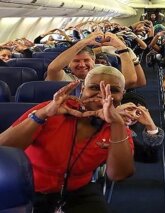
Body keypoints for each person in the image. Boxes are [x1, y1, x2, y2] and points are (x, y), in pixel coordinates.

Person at [0, 65, 134, 213]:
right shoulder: (50, 109)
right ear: (82, 89)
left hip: (78, 192)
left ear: (123, 94)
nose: (103, 95)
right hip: (27, 188)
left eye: (113, 90)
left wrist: (117, 124)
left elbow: (118, 174)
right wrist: (43, 114)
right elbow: (3, 149)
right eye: (94, 87)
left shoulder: (119, 128)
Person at [118, 92, 164, 163]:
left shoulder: (128, 136)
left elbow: (150, 157)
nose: (132, 115)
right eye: (129, 109)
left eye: (138, 113)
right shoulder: (101, 119)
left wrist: (151, 127)